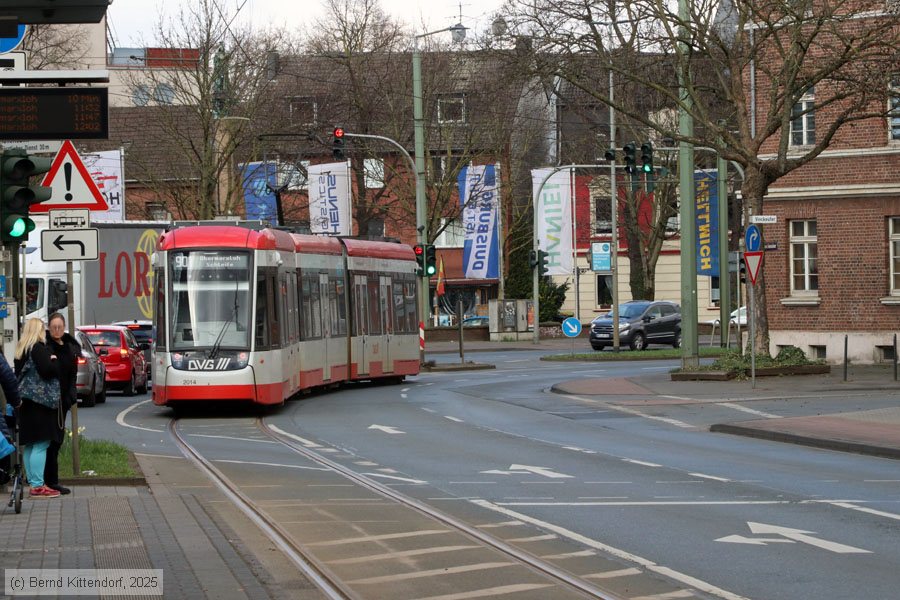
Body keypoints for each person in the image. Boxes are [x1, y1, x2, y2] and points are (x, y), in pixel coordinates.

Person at [14, 318, 61, 499]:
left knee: (31, 444)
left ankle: (33, 483)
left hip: (25, 403)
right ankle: (37, 485)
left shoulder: (21, 350)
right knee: (42, 443)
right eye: (44, 329)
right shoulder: (38, 348)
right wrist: (54, 361)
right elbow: (48, 370)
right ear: (38, 330)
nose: (46, 333)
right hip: (40, 403)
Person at [45, 312, 81, 495]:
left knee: (57, 440)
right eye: (53, 327)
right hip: (50, 400)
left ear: (64, 327)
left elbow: (73, 373)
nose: (57, 330)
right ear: (49, 328)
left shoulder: (69, 346)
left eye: (60, 327)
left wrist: (71, 396)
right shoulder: (45, 346)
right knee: (51, 441)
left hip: (64, 400)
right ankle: (49, 481)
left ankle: (52, 480)